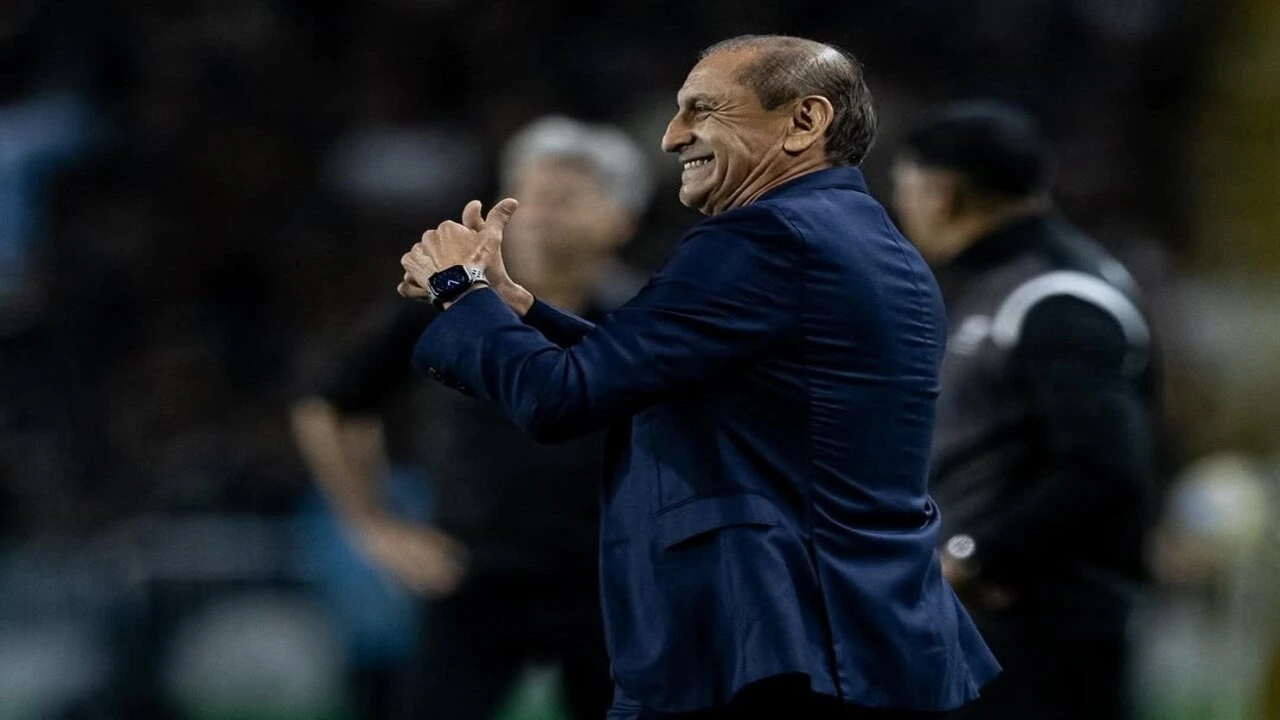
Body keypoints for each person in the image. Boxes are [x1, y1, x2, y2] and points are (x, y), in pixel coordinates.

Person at [398, 35, 999, 720]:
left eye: (703, 110)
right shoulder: (873, 243)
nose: (671, 136)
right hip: (869, 635)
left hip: (778, 645)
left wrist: (457, 287)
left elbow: (561, 398)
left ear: (805, 122)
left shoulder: (762, 239)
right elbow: (673, 376)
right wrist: (523, 310)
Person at [292, 115, 653, 720]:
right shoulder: (450, 301)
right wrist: (372, 525)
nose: (539, 213)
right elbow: (331, 402)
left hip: (609, 583)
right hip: (473, 577)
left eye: (565, 198)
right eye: (527, 194)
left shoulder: (642, 314)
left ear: (620, 219)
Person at [890, 102, 1158, 720]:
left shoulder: (1056, 296)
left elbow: (1103, 465)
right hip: (994, 628)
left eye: (903, 189)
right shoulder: (1004, 283)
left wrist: (972, 552)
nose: (900, 209)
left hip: (1035, 634)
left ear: (941, 194)